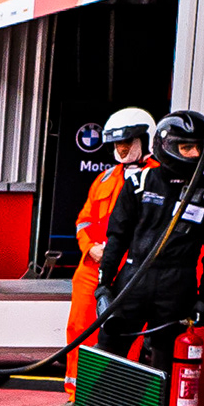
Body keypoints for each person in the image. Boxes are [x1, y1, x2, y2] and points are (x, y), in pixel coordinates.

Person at [95, 108, 204, 365]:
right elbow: (117, 237)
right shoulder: (140, 182)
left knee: (161, 361)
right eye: (186, 148)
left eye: (198, 147)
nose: (195, 154)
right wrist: (104, 283)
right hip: (133, 280)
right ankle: (99, 405)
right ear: (167, 145)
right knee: (109, 350)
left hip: (177, 287)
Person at [64, 108, 153, 351]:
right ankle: (76, 389)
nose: (121, 148)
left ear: (144, 140)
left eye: (126, 142)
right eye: (116, 143)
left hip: (130, 268)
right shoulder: (105, 178)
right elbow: (85, 220)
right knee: (79, 329)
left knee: (125, 335)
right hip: (93, 266)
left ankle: (120, 390)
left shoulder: (157, 180)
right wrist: (89, 247)